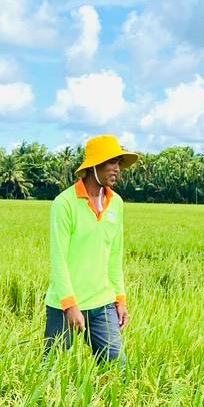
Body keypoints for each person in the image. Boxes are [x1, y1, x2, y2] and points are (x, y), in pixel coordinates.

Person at [44, 134, 136, 364]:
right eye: (111, 162)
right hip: (64, 305)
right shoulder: (64, 203)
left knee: (117, 369)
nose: (117, 169)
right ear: (94, 165)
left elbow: (115, 257)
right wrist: (70, 305)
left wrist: (120, 300)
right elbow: (59, 259)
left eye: (119, 163)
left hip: (103, 302)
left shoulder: (116, 204)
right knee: (51, 372)